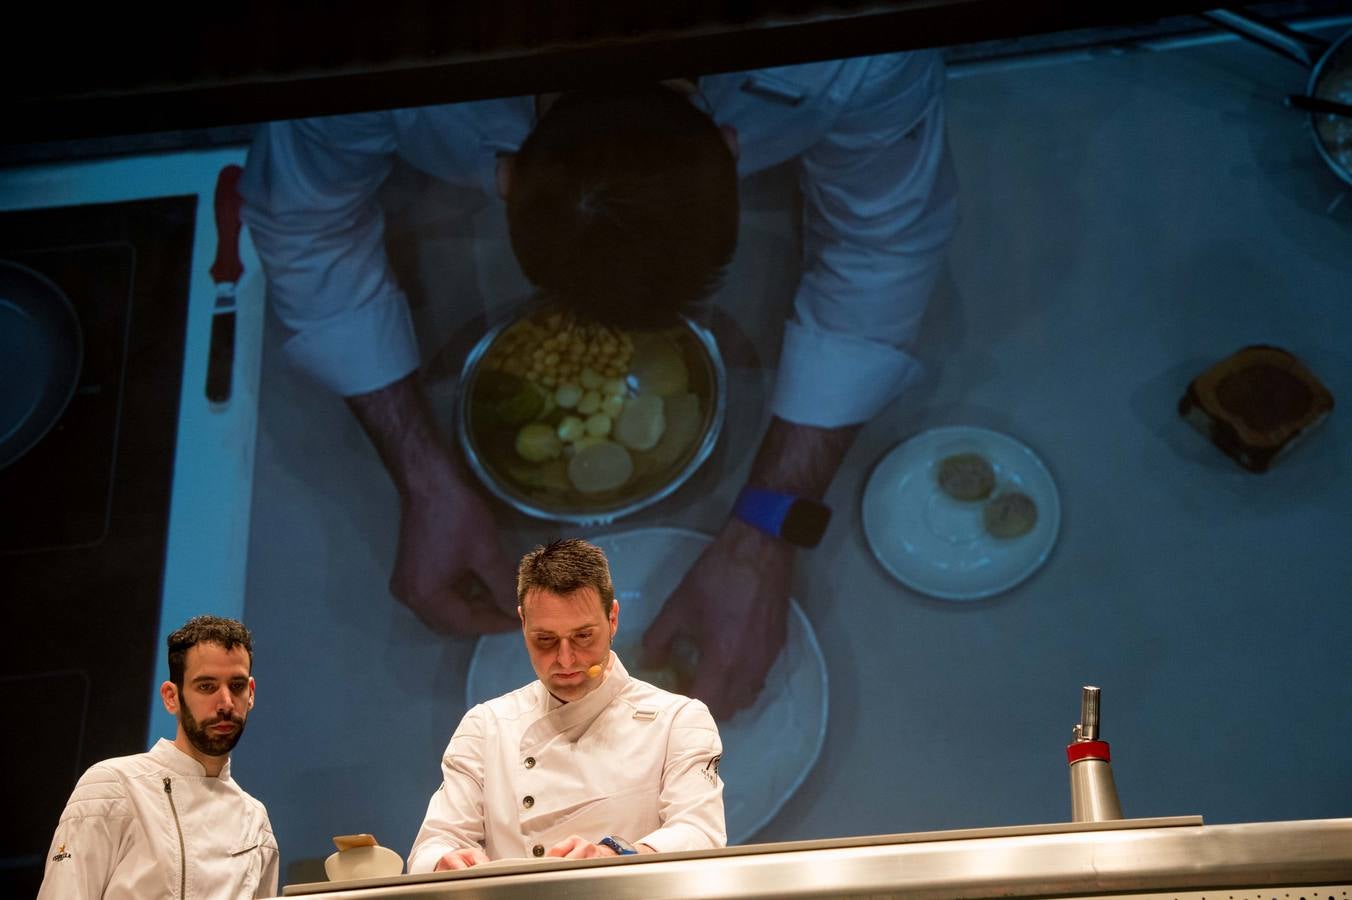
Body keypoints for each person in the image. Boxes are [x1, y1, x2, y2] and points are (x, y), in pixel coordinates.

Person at [240, 50, 958, 719]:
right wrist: (422, 476)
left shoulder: (862, 51)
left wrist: (768, 531)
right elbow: (307, 226)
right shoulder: (355, 46)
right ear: (506, 177)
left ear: (732, 147)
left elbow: (883, 248)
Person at [407, 538, 725, 869]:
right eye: (545, 640)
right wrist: (444, 861)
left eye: (583, 636)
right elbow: (432, 845)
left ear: (612, 618)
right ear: (523, 624)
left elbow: (701, 833)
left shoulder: (678, 720)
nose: (566, 658)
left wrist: (614, 856)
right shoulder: (487, 725)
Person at [37, 615, 279, 899]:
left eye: (236, 686)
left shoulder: (255, 821)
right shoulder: (112, 786)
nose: (225, 703)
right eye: (206, 686)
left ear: (250, 693)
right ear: (171, 697)